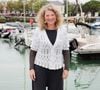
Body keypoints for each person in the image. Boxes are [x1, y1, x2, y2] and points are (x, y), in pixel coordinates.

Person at [29, 4, 70, 90]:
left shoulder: (63, 31)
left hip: (57, 68)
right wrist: (31, 69)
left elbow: (66, 51)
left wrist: (66, 68)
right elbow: (33, 51)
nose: (50, 17)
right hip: (40, 68)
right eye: (47, 15)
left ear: (56, 16)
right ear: (44, 17)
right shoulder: (38, 31)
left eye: (52, 15)